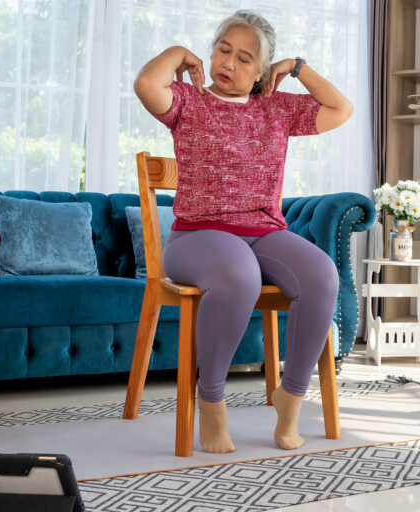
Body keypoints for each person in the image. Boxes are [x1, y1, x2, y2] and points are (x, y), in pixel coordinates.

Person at [134, 10, 353, 453]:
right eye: (223, 50)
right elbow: (145, 84)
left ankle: (289, 399)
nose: (229, 63)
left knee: (322, 276)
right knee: (239, 275)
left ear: (260, 72)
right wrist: (178, 53)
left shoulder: (276, 108)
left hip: (263, 232)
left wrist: (296, 67)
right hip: (196, 236)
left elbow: (341, 109)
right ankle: (211, 402)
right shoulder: (188, 99)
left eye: (245, 58)